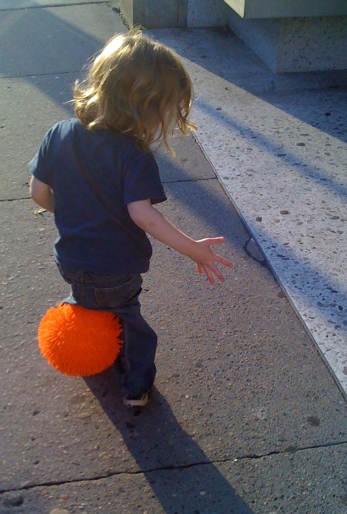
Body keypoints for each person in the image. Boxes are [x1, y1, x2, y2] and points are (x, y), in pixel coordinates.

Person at [29, 30, 233, 407]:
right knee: (132, 325)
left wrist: (72, 211)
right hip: (115, 268)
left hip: (70, 260)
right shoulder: (133, 154)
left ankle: (84, 341)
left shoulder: (58, 134)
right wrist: (194, 250)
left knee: (87, 298)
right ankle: (136, 387)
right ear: (147, 107)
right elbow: (144, 216)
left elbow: (38, 193)